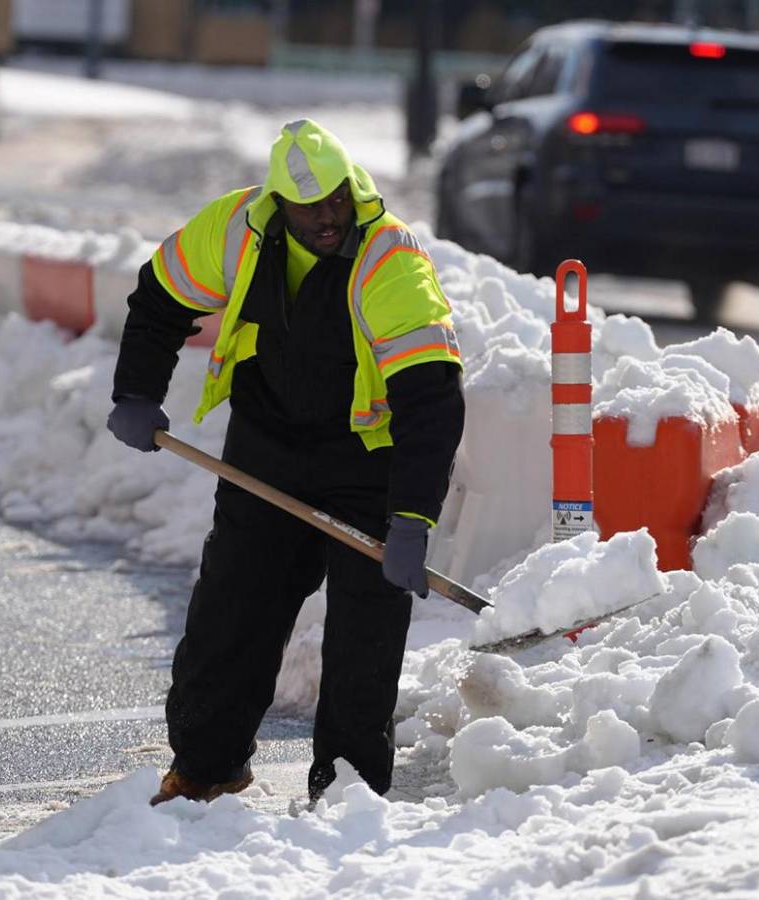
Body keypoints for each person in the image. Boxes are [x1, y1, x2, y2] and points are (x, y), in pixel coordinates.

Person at [106, 119, 465, 806]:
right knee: (231, 612)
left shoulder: (391, 262)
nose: (328, 217)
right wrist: (136, 391)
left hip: (368, 462)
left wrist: (412, 517)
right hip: (266, 448)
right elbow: (158, 295)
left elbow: (430, 399)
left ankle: (347, 797)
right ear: (278, 202)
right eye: (310, 207)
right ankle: (204, 772)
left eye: (336, 199)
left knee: (364, 640)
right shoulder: (237, 227)